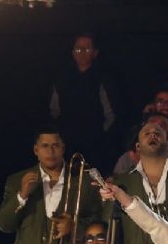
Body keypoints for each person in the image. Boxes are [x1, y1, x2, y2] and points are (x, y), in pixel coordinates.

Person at [49, 33, 120, 169]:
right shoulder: (62, 78)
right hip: (66, 143)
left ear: (95, 52)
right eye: (78, 49)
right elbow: (54, 110)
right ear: (73, 52)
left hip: (95, 144)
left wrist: (99, 134)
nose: (81, 52)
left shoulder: (103, 79)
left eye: (87, 49)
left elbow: (111, 114)